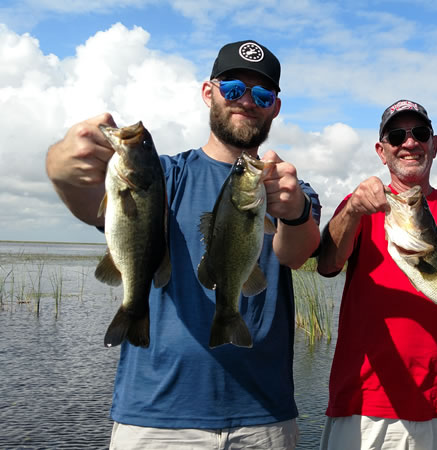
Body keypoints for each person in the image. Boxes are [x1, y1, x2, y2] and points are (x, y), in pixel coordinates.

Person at [45, 40, 321, 449]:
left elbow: (296, 253)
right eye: (233, 89)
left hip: (264, 417)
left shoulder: (290, 187)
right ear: (208, 92)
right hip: (156, 416)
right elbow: (92, 205)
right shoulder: (162, 175)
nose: (247, 101)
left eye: (262, 95)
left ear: (275, 107)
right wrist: (61, 164)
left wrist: (295, 211)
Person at [316, 99, 437, 449]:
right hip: (366, 401)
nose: (410, 142)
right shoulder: (358, 207)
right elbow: (327, 265)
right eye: (397, 135)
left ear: (434, 144)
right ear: (382, 150)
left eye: (419, 133)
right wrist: (352, 209)